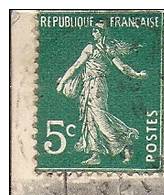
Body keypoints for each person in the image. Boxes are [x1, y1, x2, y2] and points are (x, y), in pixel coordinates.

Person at [56, 20, 148, 166]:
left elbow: (75, 67)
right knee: (90, 117)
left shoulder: (91, 48)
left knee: (100, 118)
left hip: (95, 86)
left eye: (96, 31)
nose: (93, 33)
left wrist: (62, 83)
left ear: (101, 33)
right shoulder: (107, 49)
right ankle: (96, 153)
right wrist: (137, 75)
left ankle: (125, 139)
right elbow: (123, 67)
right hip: (93, 86)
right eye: (93, 30)